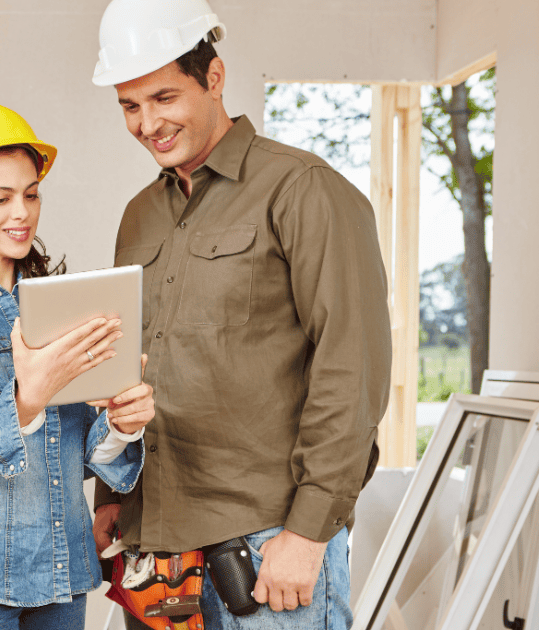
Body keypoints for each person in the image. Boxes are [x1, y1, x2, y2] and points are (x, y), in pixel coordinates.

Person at [87, 2, 393, 629]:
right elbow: (130, 367)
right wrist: (116, 496)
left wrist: (308, 534)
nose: (147, 123)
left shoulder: (303, 189)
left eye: (164, 98)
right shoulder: (139, 214)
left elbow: (351, 366)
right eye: (129, 105)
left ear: (215, 76)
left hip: (267, 546)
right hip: (158, 551)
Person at [0, 96, 156, 630]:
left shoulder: (59, 304)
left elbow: (74, 455)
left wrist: (120, 425)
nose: (22, 213)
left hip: (61, 575)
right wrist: (26, 398)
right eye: (0, 198)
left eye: (31, 194)